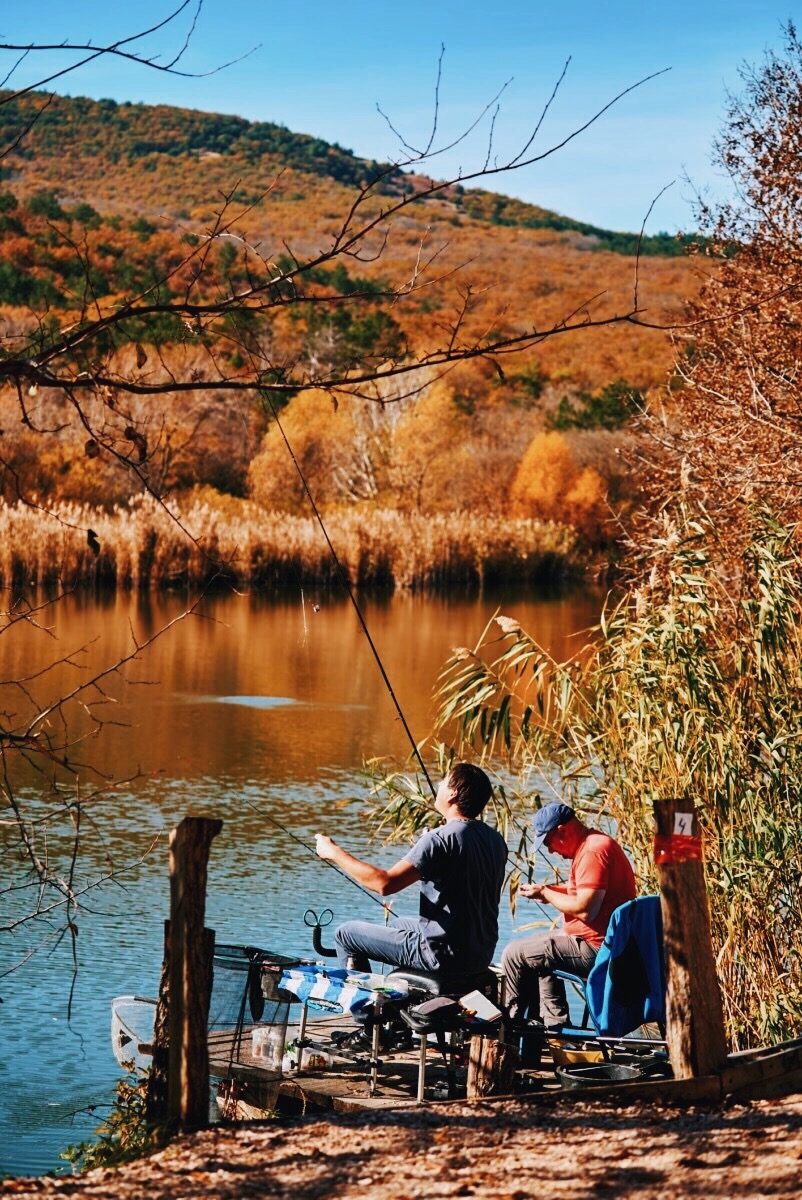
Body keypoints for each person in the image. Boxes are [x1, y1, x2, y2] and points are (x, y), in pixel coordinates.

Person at [314, 762, 507, 977]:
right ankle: (402, 996)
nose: (439, 784)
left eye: (443, 781)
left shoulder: (439, 839)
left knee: (346, 934)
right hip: (479, 953)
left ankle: (368, 1009)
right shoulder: (495, 840)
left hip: (442, 955)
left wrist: (333, 852)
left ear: (452, 793)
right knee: (398, 924)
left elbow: (384, 884)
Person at [501, 801, 636, 1028]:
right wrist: (547, 892)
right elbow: (586, 891)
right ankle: (556, 1031)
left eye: (549, 843)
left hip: (598, 950)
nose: (551, 851)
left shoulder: (592, 851)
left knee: (514, 953)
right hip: (607, 944)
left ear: (562, 831)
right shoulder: (595, 842)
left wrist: (546, 891)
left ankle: (510, 1029)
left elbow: (586, 909)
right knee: (535, 954)